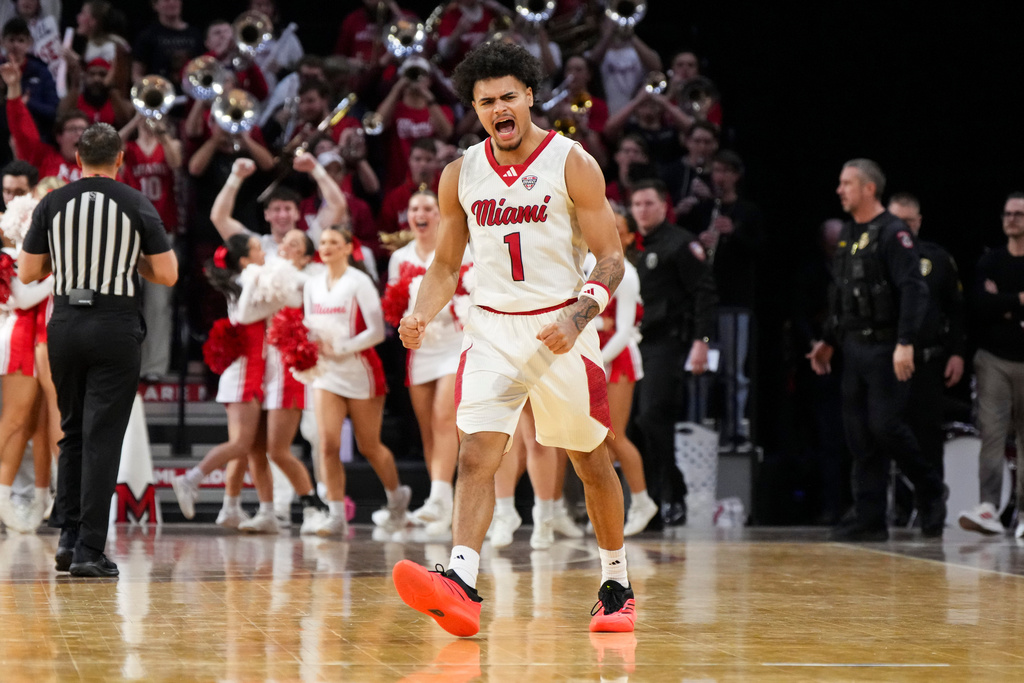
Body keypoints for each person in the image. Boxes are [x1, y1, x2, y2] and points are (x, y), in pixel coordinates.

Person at [391, 41, 635, 637]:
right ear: (475, 110)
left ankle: (616, 581)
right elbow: (446, 265)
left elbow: (611, 257)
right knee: (477, 454)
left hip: (562, 325)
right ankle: (463, 582)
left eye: (507, 97)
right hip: (492, 327)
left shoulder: (572, 162)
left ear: (529, 97)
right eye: (485, 101)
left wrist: (583, 313)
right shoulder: (459, 174)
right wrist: (420, 311)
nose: (498, 108)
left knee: (590, 460)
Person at [18, 122, 178, 577]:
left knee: (71, 433)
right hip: (114, 324)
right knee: (102, 437)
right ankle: (90, 549)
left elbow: (28, 272)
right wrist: (131, 262)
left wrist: (67, 261)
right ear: (121, 159)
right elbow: (167, 275)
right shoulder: (136, 202)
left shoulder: (53, 201)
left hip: (66, 324)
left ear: (77, 161)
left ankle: (68, 539)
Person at [806, 159, 945, 541]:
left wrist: (905, 343)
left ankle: (931, 489)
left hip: (886, 348)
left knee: (885, 428)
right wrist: (828, 342)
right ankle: (870, 516)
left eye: (847, 183)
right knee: (859, 436)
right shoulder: (850, 233)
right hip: (854, 348)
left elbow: (915, 290)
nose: (840, 190)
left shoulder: (893, 233)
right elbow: (842, 296)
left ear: (869, 189)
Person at [303, 224, 410, 537]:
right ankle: (336, 515)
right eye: (323, 242)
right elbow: (310, 325)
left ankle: (396, 497)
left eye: (334, 242)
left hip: (360, 370)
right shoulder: (312, 284)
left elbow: (377, 332)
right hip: (326, 374)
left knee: (369, 445)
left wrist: (343, 347)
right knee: (327, 444)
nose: (327, 247)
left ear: (349, 248)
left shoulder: (359, 281)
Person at [630, 178, 717, 528]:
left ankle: (674, 493)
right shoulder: (628, 247)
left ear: (664, 205)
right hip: (632, 344)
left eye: (649, 203)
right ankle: (648, 504)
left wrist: (702, 342)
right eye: (636, 204)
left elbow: (706, 293)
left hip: (667, 342)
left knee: (652, 416)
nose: (642, 210)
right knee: (633, 427)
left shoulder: (681, 245)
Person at [379, 189, 465, 536]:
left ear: (441, 214)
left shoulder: (461, 248)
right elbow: (394, 305)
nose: (421, 213)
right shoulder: (399, 258)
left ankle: (441, 497)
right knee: (429, 428)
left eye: (428, 207)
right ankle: (440, 504)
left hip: (455, 344)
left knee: (446, 419)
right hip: (420, 349)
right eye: (415, 208)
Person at [888, 192, 964, 536]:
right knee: (886, 433)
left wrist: (957, 353)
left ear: (919, 222)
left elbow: (957, 309)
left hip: (928, 362)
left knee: (928, 437)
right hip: (885, 363)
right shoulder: (878, 256)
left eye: (909, 222)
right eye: (896, 221)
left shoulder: (936, 258)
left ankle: (931, 507)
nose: (902, 229)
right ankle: (896, 507)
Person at [957, 192, 1024, 538]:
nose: (1012, 219)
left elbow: (992, 304)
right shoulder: (990, 261)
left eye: (1019, 214)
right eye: (1007, 213)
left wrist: (1001, 303)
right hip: (994, 358)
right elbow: (979, 304)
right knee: (992, 435)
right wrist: (1016, 301)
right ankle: (988, 507)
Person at [592, 209, 658, 536]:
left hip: (615, 359)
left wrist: (598, 361)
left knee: (614, 435)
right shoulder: (589, 265)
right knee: (595, 440)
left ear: (630, 237)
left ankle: (643, 501)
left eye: (619, 229)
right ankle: (609, 510)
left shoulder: (627, 273)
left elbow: (623, 330)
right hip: (594, 355)